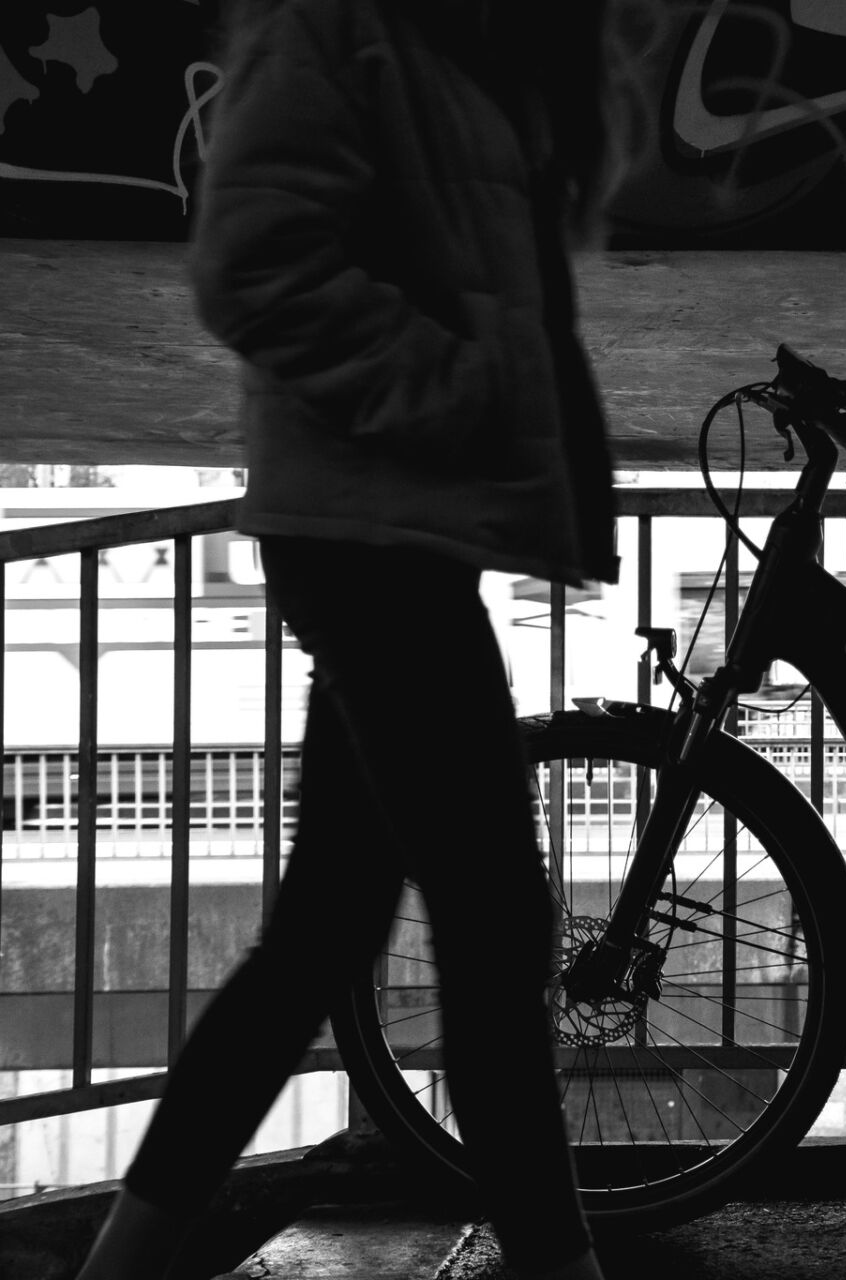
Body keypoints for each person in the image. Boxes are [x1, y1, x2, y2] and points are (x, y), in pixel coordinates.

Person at [78, 1, 628, 1277]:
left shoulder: (430, 44)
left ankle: (120, 1264)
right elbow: (253, 265)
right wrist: (455, 390)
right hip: (368, 540)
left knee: (322, 935)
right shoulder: (332, 30)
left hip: (395, 533)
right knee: (496, 922)